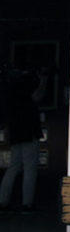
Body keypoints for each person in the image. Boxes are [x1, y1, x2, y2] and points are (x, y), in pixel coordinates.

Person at [0, 69, 46, 212]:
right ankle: (27, 203)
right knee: (30, 168)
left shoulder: (10, 87)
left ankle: (3, 201)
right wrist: (43, 81)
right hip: (29, 130)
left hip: (15, 132)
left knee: (13, 167)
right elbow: (36, 97)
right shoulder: (29, 82)